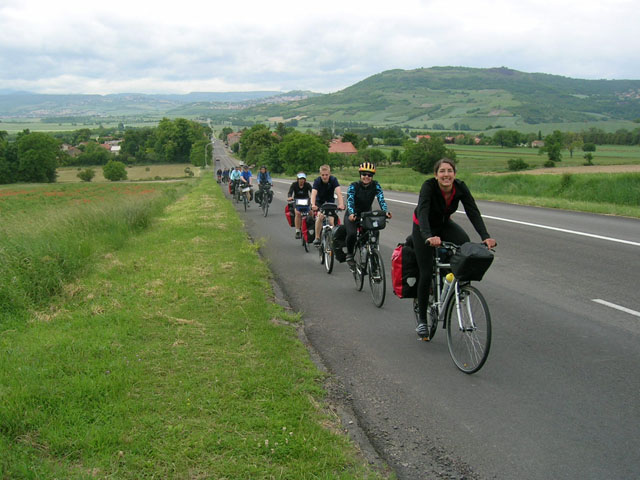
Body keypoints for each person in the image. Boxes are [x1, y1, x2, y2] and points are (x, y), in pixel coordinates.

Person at [412, 158, 497, 338]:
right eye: (442, 171)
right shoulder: (428, 187)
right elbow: (423, 212)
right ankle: (422, 321)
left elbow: (472, 211)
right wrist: (428, 236)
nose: (446, 175)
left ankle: (458, 284)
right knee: (426, 272)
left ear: (454, 174)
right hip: (423, 227)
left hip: (443, 225)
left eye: (449, 171)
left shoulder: (460, 187)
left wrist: (485, 236)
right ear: (436, 175)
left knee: (465, 245)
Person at [344, 162, 392, 267]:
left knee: (373, 233)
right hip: (353, 214)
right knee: (352, 234)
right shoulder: (354, 186)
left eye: (369, 175)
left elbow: (381, 199)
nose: (366, 177)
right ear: (360, 175)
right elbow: (350, 201)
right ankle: (350, 254)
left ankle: (372, 254)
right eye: (364, 174)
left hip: (366, 214)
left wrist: (385, 211)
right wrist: (352, 213)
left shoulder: (376, 185)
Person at [310, 164, 345, 246]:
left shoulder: (333, 180)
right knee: (320, 216)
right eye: (323, 175)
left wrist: (341, 204)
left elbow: (339, 193)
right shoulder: (317, 181)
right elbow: (313, 194)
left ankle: (332, 238)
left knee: (331, 221)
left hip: (330, 202)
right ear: (320, 174)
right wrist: (313, 204)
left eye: (326, 175)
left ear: (329, 174)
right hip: (319, 203)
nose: (325, 177)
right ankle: (317, 237)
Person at [287, 172, 312, 239]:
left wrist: (313, 198)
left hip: (306, 200)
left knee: (311, 212)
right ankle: (297, 231)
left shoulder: (307, 185)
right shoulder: (294, 184)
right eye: (300, 179)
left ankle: (310, 227)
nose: (301, 180)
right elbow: (290, 192)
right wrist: (290, 197)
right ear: (297, 179)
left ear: (305, 180)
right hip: (297, 200)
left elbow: (312, 191)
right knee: (297, 213)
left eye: (303, 179)